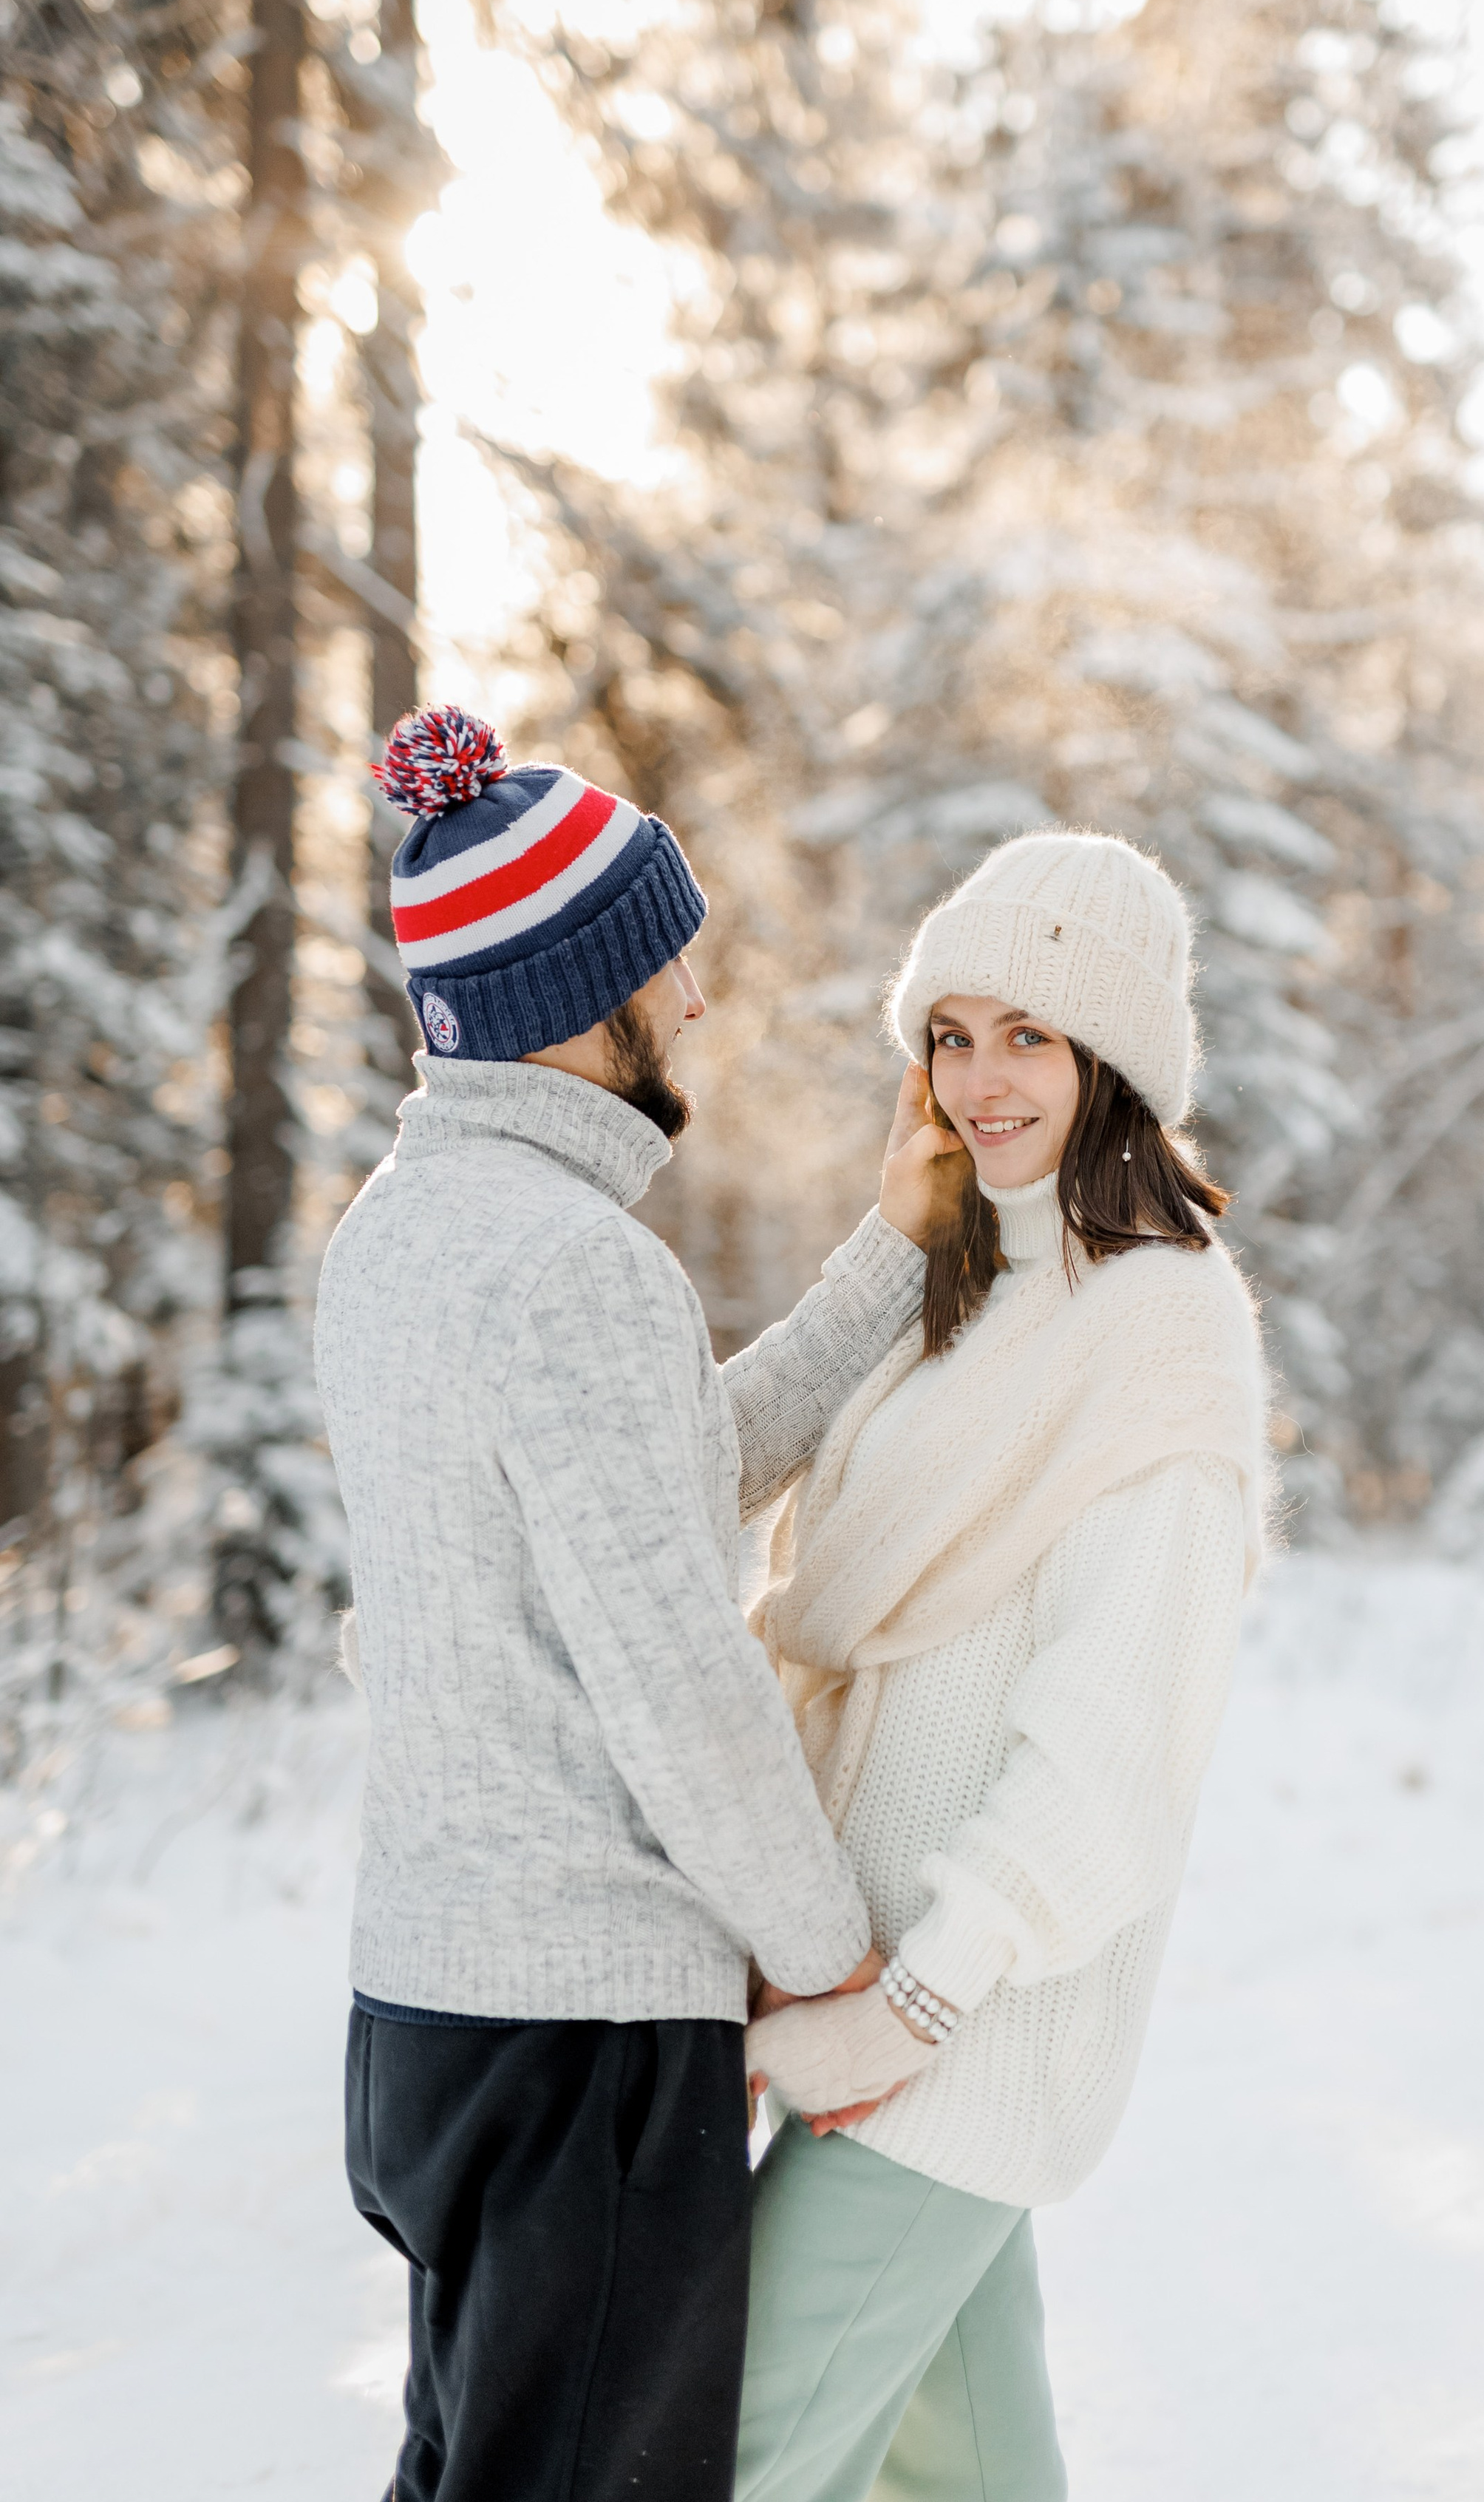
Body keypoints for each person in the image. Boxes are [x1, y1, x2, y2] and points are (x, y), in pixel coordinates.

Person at [313, 704, 953, 2502]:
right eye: (667, 971)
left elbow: (644, 1508)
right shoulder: (572, 1270)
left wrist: (890, 1256)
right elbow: (676, 1675)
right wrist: (831, 1965)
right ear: (575, 1005)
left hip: (431, 2027)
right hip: (581, 2042)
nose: (694, 1007)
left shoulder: (403, 1234)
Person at [740, 830, 1274, 2502]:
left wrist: (908, 2006)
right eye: (947, 1035)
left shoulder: (1160, 1329)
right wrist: (892, 1242)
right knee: (964, 2474)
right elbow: (746, 1485)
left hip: (952, 2030)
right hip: (858, 1998)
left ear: (1110, 1057)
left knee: (727, 2456)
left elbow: (1110, 1753)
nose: (977, 1080)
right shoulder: (959, 1289)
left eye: (1025, 1034)